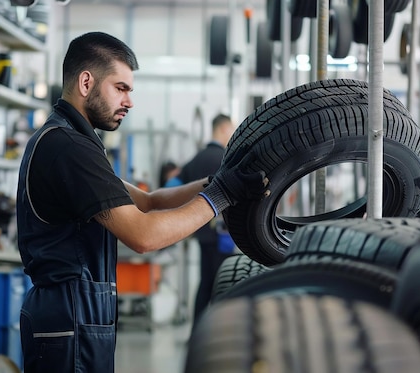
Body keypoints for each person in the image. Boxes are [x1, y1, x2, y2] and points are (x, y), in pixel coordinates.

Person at [15, 32, 268, 373]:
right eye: (121, 88)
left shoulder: (71, 140)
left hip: (77, 310)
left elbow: (149, 202)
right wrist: (223, 195)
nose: (129, 101)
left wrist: (217, 181)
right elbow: (144, 235)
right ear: (86, 82)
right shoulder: (67, 147)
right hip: (71, 313)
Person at [173, 113, 238, 326]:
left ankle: (198, 330)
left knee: (205, 282)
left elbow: (175, 187)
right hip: (223, 235)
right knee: (223, 282)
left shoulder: (196, 159)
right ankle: (217, 332)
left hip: (200, 231)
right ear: (222, 129)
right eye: (231, 129)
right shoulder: (225, 159)